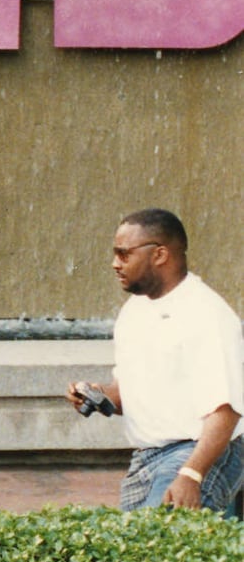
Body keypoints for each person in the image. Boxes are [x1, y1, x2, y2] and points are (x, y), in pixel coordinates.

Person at [64, 209, 244, 515]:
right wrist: (99, 395)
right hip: (147, 458)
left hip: (197, 451)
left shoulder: (206, 314)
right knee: (134, 554)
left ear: (160, 254)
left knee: (161, 544)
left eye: (124, 254)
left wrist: (191, 474)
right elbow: (131, 392)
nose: (115, 263)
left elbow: (226, 411)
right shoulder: (133, 312)